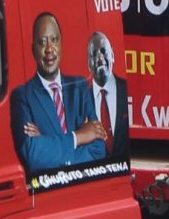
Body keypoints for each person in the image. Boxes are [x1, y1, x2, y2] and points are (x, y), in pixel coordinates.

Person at [11, 11, 108, 176]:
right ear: (33, 49)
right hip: (48, 195)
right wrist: (78, 137)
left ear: (62, 44)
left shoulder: (81, 87)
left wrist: (47, 142)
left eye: (54, 40)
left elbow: (99, 150)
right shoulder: (23, 96)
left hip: (84, 190)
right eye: (42, 42)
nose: (49, 49)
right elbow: (33, 156)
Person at [86, 30, 130, 162]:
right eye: (94, 54)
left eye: (103, 51)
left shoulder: (127, 91)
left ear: (113, 55)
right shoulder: (81, 101)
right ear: (89, 64)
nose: (99, 58)